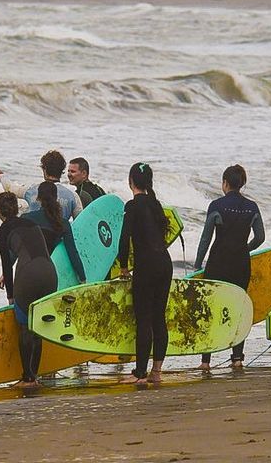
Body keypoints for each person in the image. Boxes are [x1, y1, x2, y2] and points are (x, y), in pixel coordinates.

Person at [194, 164, 265, 369]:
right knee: (238, 308)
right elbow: (260, 237)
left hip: (218, 263)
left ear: (225, 183)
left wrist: (198, 265)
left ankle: (206, 361)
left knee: (210, 309)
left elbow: (205, 239)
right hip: (240, 264)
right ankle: (237, 358)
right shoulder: (252, 207)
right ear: (242, 183)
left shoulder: (217, 206)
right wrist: (245, 249)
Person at [0, 192, 58, 388]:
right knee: (38, 325)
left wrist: (11, 296)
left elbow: (7, 265)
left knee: (24, 326)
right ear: (17, 208)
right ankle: (34, 376)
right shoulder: (32, 223)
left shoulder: (2, 231)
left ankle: (27, 378)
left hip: (28, 274)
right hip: (50, 272)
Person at [118, 162, 172, 385]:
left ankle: (140, 373)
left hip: (147, 266)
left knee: (144, 319)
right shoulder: (155, 204)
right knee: (159, 317)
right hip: (164, 263)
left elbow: (124, 239)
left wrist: (123, 267)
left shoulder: (132, 206)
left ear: (131, 181)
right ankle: (156, 371)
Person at [0, 150, 82, 220]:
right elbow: (80, 223)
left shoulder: (32, 190)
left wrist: (0, 176)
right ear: (62, 170)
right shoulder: (73, 196)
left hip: (35, 237)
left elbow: (10, 188)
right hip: (61, 237)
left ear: (44, 169)